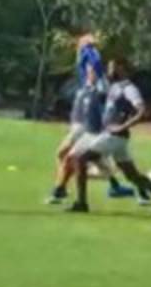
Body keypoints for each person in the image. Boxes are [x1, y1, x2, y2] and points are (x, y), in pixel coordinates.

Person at [67, 59, 151, 213]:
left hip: (114, 136)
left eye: (112, 68)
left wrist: (123, 126)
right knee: (132, 175)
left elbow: (142, 111)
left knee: (80, 159)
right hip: (115, 137)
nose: (109, 71)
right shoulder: (114, 87)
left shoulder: (129, 88)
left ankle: (81, 203)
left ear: (122, 69)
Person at [46, 37, 133, 204]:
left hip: (86, 127)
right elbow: (82, 62)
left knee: (65, 155)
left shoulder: (100, 83)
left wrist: (89, 47)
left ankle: (60, 190)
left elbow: (96, 62)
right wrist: (82, 47)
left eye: (91, 68)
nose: (89, 70)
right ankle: (115, 186)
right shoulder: (85, 81)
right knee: (92, 159)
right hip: (82, 126)